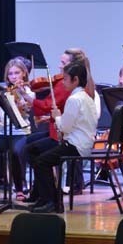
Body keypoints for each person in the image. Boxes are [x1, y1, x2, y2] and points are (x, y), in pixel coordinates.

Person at [31, 61, 97, 213]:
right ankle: (51, 199)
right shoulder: (86, 97)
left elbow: (65, 128)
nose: (63, 83)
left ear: (76, 80)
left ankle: (51, 201)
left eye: (66, 79)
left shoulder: (74, 99)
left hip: (75, 146)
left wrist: (57, 117)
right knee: (42, 157)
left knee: (41, 162)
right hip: (83, 144)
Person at [0, 58, 33, 198]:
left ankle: (20, 189)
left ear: (24, 74)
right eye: (10, 74)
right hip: (3, 133)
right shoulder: (2, 91)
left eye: (17, 73)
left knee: (15, 153)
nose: (14, 76)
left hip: (21, 132)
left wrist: (22, 95)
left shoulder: (29, 91)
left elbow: (28, 110)